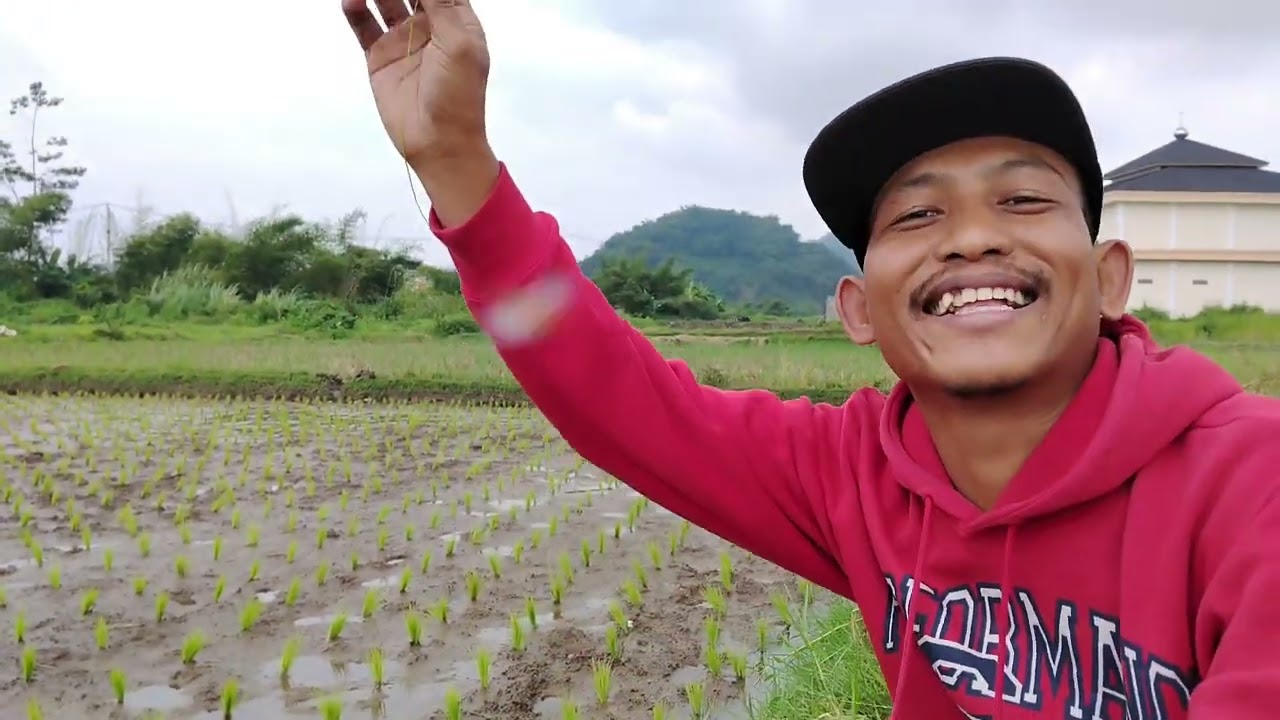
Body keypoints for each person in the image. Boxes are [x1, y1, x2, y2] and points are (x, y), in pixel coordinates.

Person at [341, 1, 1280, 717]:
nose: (970, 239)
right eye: (916, 215)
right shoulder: (853, 477)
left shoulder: (1250, 483)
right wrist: (456, 158)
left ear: (1111, 277)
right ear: (859, 309)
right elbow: (616, 399)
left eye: (1024, 201)